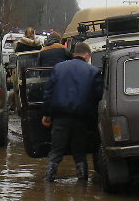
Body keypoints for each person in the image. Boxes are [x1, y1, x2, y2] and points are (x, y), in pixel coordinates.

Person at [41, 41, 103, 182]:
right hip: (82, 119)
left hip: (60, 117)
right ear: (87, 55)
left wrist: (46, 114)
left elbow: (48, 92)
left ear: (74, 54)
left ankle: (48, 179)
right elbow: (98, 97)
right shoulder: (93, 72)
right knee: (80, 152)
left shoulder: (59, 68)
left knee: (56, 150)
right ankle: (83, 180)